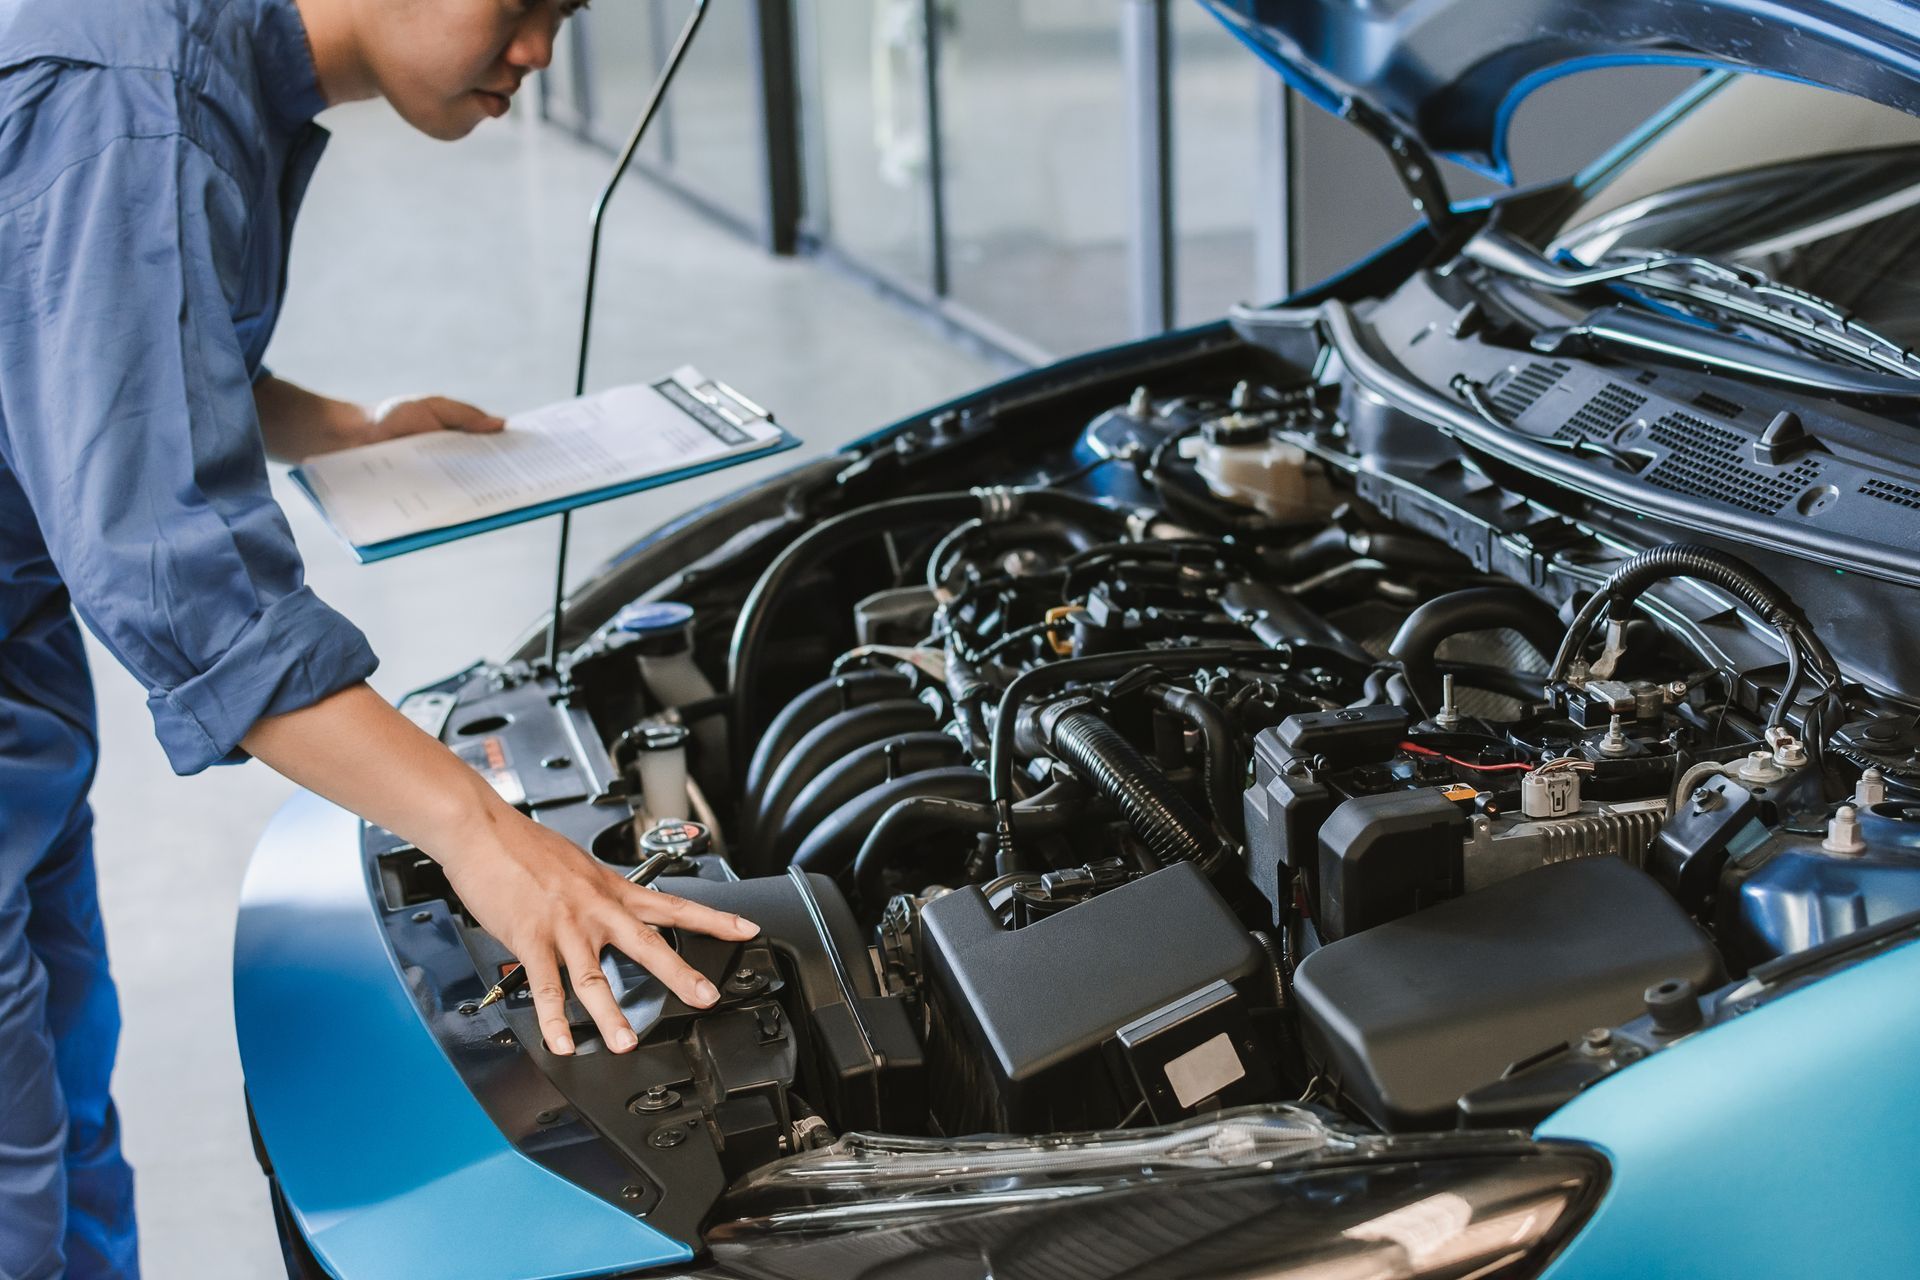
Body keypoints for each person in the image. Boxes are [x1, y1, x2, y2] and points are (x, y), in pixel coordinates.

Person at [0, 0, 760, 1274]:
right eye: (522, 5)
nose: (536, 53)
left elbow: (108, 347)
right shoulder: (135, 102)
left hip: (22, 682)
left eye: (564, 18)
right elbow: (196, 600)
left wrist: (345, 426)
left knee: (62, 1103)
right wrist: (480, 829)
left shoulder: (220, 78)